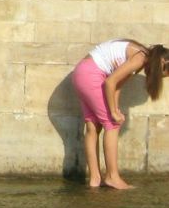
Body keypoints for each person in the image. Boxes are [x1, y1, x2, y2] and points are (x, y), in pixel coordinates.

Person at [71, 39, 168, 189]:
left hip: (81, 73)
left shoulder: (138, 56)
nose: (161, 77)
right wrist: (113, 114)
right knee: (112, 124)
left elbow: (117, 85)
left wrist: (114, 109)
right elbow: (110, 82)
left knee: (93, 126)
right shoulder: (140, 57)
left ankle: (95, 180)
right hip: (92, 75)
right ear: (163, 61)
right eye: (164, 73)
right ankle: (112, 177)